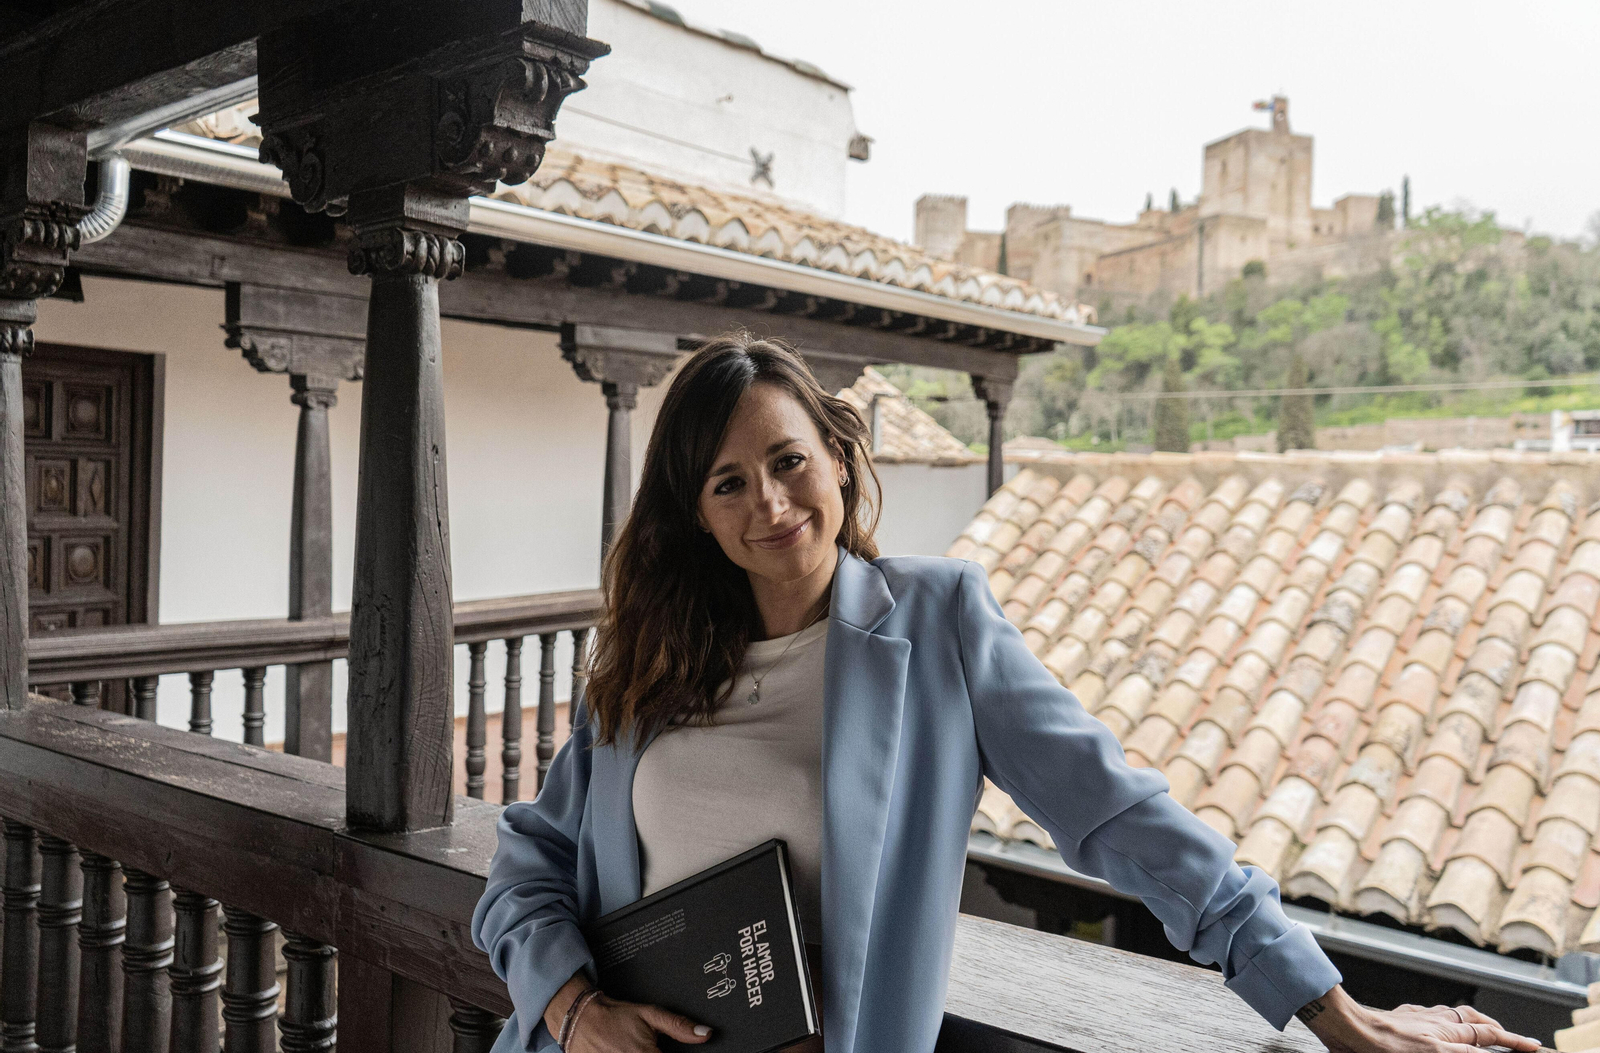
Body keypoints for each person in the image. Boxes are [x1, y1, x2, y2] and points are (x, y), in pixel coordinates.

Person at [472, 335, 1540, 1053]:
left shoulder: (935, 622)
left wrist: (1330, 1005)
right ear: (698, 516)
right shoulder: (647, 666)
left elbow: (1117, 810)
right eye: (728, 482)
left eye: (788, 460)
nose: (771, 501)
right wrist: (574, 1009)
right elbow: (529, 865)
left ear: (838, 457)